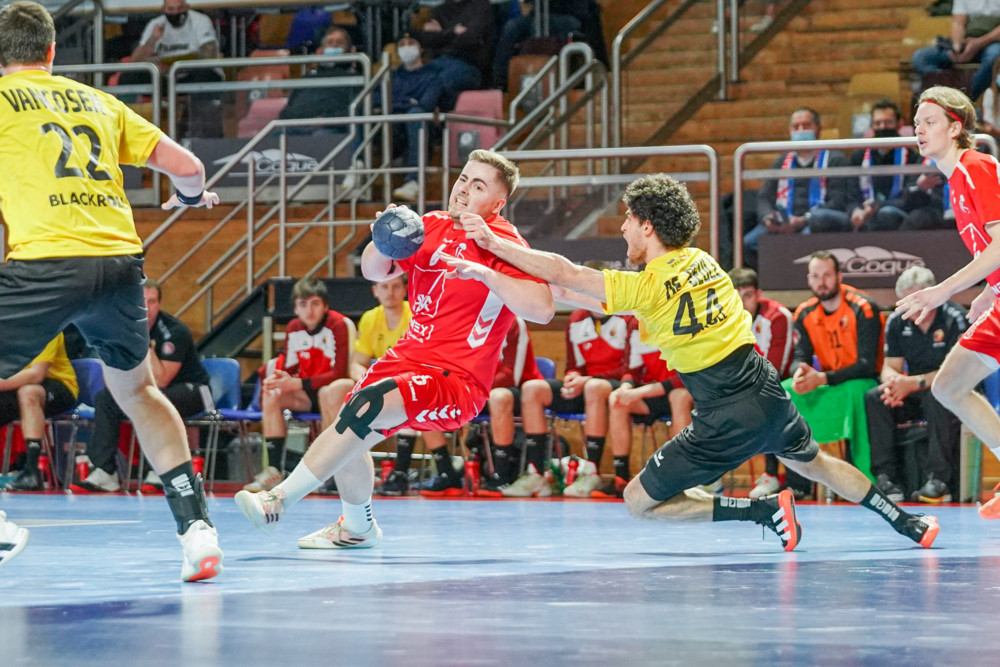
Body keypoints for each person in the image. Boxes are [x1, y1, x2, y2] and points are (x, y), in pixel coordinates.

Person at [450, 172, 938, 552]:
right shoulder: (704, 262)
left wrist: (493, 245)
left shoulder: (646, 285)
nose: (622, 227)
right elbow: (573, 290)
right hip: (767, 392)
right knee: (818, 464)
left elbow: (567, 272)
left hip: (723, 411)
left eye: (628, 219)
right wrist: (502, 275)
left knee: (638, 502)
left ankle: (760, 510)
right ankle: (907, 523)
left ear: (648, 226)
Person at [0, 1, 223, 581]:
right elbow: (189, 167)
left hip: (47, 261)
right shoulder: (99, 101)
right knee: (139, 392)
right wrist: (192, 198)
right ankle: (198, 530)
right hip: (121, 265)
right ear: (52, 52)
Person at [236, 149, 554, 548]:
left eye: (478, 186)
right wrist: (382, 236)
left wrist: (487, 273)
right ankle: (357, 527)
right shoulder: (431, 225)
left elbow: (542, 309)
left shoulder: (505, 242)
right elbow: (373, 271)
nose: (463, 190)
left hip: (456, 380)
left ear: (498, 203)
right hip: (404, 359)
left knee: (364, 408)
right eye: (462, 179)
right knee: (349, 423)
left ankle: (278, 499)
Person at [897, 85, 1000, 519]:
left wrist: (944, 291)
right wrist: (990, 291)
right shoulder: (955, 181)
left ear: (955, 127)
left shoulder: (976, 166)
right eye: (916, 123)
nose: (919, 130)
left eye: (929, 122)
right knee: (948, 385)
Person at [77, 280, 210, 494]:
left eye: (152, 301)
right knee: (106, 399)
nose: (146, 307)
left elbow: (162, 379)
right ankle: (105, 472)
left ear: (160, 304)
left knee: (158, 399)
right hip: (151, 389)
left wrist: (142, 340)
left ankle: (160, 470)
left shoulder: (175, 331)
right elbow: (111, 378)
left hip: (194, 390)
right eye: (141, 301)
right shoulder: (120, 330)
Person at [502, 307, 634, 497]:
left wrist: (587, 380)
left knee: (594, 387)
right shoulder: (577, 318)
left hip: (613, 386)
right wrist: (573, 377)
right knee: (532, 389)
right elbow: (573, 365)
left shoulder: (627, 318)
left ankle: (591, 472)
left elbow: (629, 369)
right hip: (585, 386)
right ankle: (536, 473)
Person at [783, 251, 884, 498]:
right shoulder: (804, 312)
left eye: (827, 275)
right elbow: (800, 356)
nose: (822, 282)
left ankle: (867, 477)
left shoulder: (863, 307)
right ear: (809, 280)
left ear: (839, 276)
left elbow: (867, 364)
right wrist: (800, 372)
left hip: (862, 380)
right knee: (785, 390)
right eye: (816, 276)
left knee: (858, 391)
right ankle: (797, 481)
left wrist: (823, 378)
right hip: (828, 380)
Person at [866, 266, 966, 504]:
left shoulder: (955, 317)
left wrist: (913, 382)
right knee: (876, 397)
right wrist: (894, 383)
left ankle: (939, 480)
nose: (912, 306)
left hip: (953, 387)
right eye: (907, 301)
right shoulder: (896, 320)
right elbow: (890, 366)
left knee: (937, 394)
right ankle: (886, 478)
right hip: (914, 387)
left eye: (917, 299)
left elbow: (957, 371)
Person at [243, 277, 352, 493]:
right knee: (272, 393)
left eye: (315, 303)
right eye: (303, 304)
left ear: (325, 306)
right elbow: (289, 367)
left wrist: (297, 382)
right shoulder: (294, 328)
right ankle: (274, 470)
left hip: (333, 392)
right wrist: (280, 379)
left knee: (328, 391)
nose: (309, 311)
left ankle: (329, 469)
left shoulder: (338, 324)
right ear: (295, 308)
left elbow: (339, 372)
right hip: (306, 394)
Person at [594, 322, 693, 499]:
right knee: (618, 401)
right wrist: (625, 387)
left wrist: (642, 391)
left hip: (685, 391)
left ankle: (681, 477)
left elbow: (685, 375)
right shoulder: (636, 325)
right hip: (653, 392)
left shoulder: (680, 320)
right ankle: (621, 477)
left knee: (679, 396)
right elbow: (631, 370)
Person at [744, 108, 853, 266]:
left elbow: (839, 200)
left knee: (803, 241)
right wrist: (768, 218)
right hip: (785, 222)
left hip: (816, 222)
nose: (801, 131)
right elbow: (764, 196)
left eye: (806, 126)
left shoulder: (835, 159)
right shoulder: (782, 161)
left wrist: (804, 219)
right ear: (790, 131)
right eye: (796, 127)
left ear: (818, 129)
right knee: (749, 243)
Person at [728, 267, 794, 499]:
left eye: (747, 295)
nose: (742, 303)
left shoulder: (778, 316)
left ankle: (771, 473)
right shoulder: (724, 320)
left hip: (781, 381)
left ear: (758, 294)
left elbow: (776, 367)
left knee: (767, 397)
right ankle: (709, 478)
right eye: (736, 296)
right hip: (744, 383)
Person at [120, 0, 224, 137]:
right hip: (165, 77)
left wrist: (184, 61)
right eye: (171, 9)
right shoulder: (155, 24)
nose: (175, 13)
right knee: (128, 77)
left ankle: (205, 134)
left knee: (206, 75)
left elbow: (209, 53)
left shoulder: (200, 21)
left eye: (179, 8)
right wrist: (153, 40)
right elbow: (136, 60)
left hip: (193, 74)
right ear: (164, 9)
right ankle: (126, 131)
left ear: (187, 7)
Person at [848, 99, 947, 232]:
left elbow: (908, 199)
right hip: (864, 210)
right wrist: (855, 210)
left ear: (900, 124)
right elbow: (850, 194)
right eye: (878, 123)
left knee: (887, 214)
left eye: (888, 122)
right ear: (872, 126)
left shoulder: (913, 157)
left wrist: (877, 206)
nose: (882, 127)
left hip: (895, 212)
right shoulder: (858, 157)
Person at [475, 315, 545, 496]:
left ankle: (502, 472)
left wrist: (476, 388)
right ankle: (446, 471)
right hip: (481, 390)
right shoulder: (468, 320)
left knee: (499, 397)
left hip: (519, 389)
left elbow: (511, 375)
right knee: (426, 394)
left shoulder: (513, 322)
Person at [2, 333, 79, 491]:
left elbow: (36, 374)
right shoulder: (7, 328)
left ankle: (31, 472)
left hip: (59, 385)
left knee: (29, 393)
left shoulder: (48, 328)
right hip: (15, 384)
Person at [382, 33, 444, 203]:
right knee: (363, 112)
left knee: (416, 114)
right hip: (392, 131)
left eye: (411, 42)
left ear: (420, 48)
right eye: (402, 44)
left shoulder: (433, 75)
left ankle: (414, 181)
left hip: (423, 131)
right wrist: (408, 102)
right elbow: (379, 101)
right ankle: (357, 166)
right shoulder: (391, 76)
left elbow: (426, 104)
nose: (406, 47)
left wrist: (398, 104)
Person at [413, 0, 494, 112]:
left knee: (437, 83)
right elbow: (429, 40)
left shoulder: (481, 6)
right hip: (440, 61)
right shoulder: (440, 11)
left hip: (469, 65)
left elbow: (471, 39)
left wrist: (442, 34)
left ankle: (418, 114)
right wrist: (453, 32)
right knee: (416, 80)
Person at [911, 0, 1000, 102]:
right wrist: (956, 47)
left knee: (994, 56)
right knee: (921, 57)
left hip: (994, 42)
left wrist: (980, 42)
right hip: (967, 43)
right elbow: (958, 22)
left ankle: (968, 97)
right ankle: (946, 95)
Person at [278, 26, 361, 133]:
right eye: (330, 43)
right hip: (298, 126)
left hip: (332, 129)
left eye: (340, 43)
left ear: (349, 50)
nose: (334, 45)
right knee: (277, 135)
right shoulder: (308, 78)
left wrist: (326, 121)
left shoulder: (355, 79)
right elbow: (287, 111)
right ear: (322, 49)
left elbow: (357, 110)